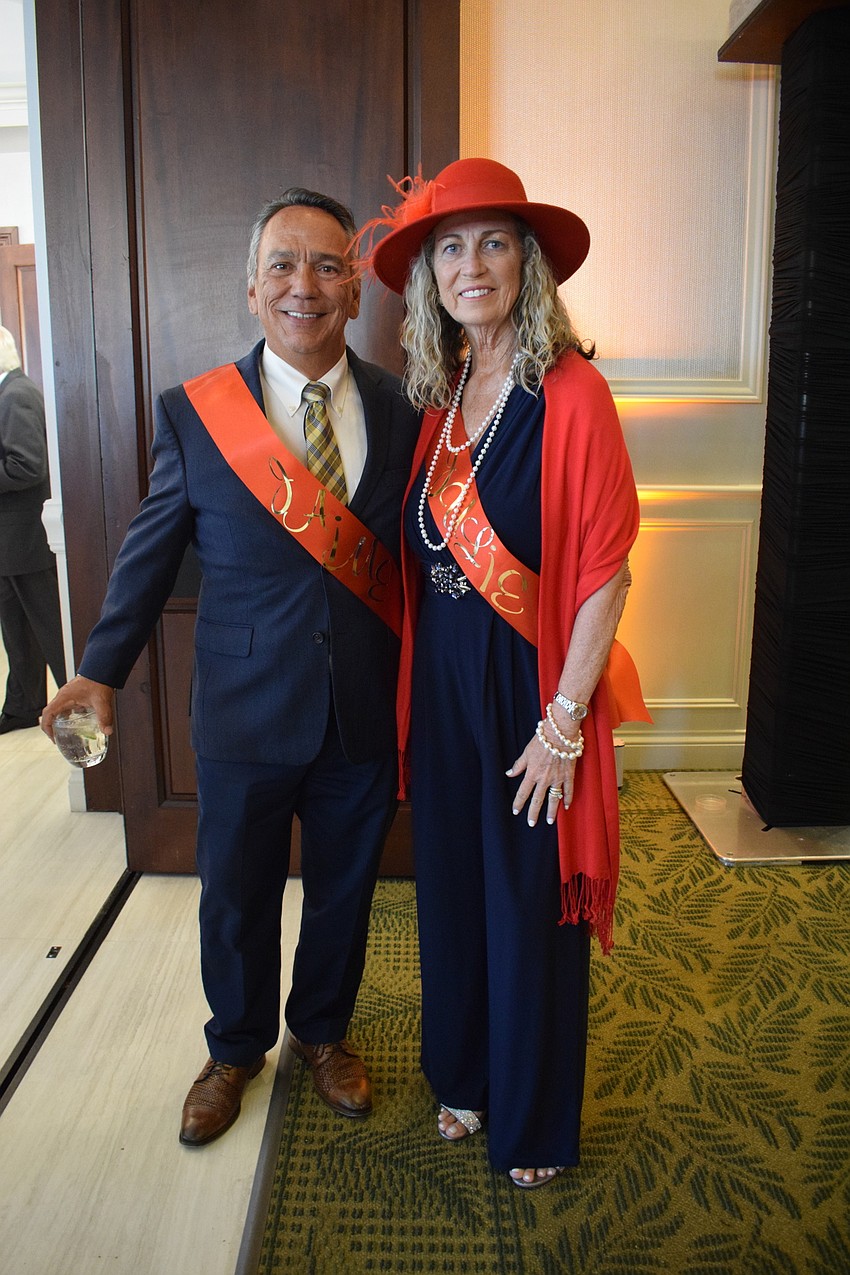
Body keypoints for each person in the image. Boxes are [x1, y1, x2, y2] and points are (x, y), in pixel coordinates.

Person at [41, 188, 419, 1146]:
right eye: (283, 266)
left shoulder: (402, 407)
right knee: (237, 894)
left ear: (355, 289)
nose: (306, 286)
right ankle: (236, 1045)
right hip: (246, 708)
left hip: (361, 706)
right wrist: (99, 667)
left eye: (329, 266)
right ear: (252, 289)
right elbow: (151, 548)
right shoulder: (198, 412)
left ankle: (323, 1034)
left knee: (345, 888)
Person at [363, 158, 650, 1188]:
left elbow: (606, 574)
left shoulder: (570, 392)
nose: (468, 263)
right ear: (428, 277)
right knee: (449, 888)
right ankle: (466, 1075)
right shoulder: (438, 397)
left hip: (528, 693)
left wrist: (563, 722)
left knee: (529, 902)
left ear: (525, 265)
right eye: (449, 247)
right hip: (439, 688)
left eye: (492, 242)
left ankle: (531, 1121)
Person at [0, 327, 66, 735]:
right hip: (12, 544)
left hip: (25, 541)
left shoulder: (16, 396)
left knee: (50, 631)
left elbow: (27, 466)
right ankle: (24, 706)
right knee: (17, 630)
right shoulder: (9, 394)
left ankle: (75, 709)